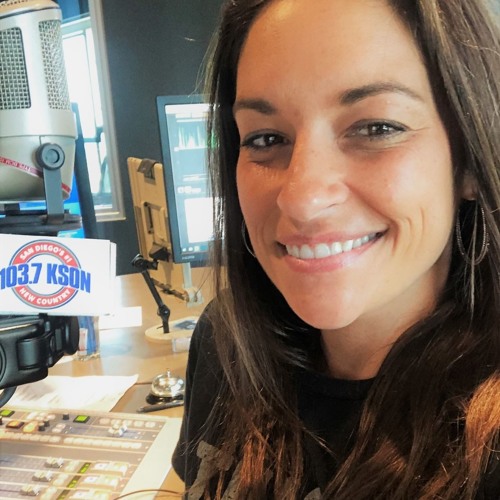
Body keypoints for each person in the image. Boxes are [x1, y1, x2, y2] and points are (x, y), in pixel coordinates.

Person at [172, 0, 500, 498]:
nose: (302, 198)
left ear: (469, 160)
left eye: (377, 128)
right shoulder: (227, 342)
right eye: (266, 138)